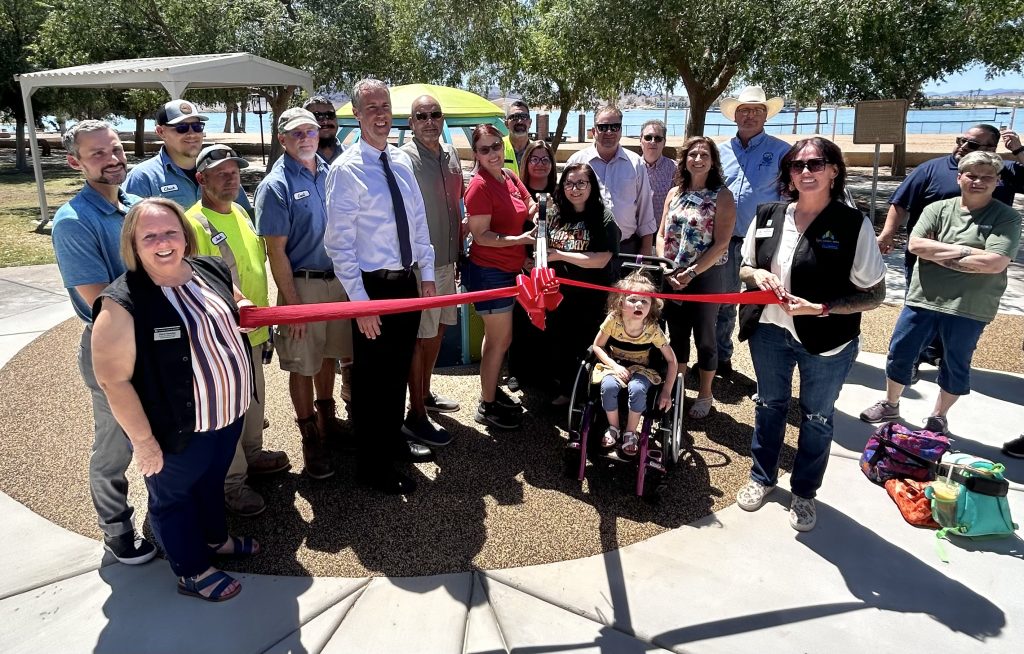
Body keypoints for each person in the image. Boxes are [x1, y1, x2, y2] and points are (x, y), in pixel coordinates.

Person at [91, 197, 259, 602]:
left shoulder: (209, 269)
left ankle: (215, 540)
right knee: (174, 498)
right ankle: (191, 570)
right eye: (150, 236)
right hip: (176, 429)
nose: (163, 242)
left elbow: (234, 300)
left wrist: (243, 306)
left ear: (185, 235)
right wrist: (145, 442)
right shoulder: (122, 302)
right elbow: (113, 381)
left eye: (171, 232)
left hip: (228, 413)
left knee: (211, 482)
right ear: (133, 243)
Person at [736, 137, 886, 532]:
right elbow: (744, 267)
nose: (806, 171)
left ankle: (804, 492)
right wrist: (757, 274)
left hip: (827, 340)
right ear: (788, 173)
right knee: (769, 406)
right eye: (797, 165)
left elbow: (875, 293)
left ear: (834, 170)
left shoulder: (853, 224)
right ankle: (762, 477)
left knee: (817, 417)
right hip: (769, 330)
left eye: (816, 164)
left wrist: (822, 308)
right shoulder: (769, 214)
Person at [325, 79, 437, 495]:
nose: (380, 113)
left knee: (397, 372)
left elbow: (419, 223)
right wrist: (361, 304)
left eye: (385, 104)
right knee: (373, 383)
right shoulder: (346, 169)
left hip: (407, 282)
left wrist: (426, 274)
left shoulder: (400, 161)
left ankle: (391, 443)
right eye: (370, 107)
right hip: (372, 289)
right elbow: (339, 245)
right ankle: (373, 468)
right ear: (356, 114)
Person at [51, 120, 155, 565]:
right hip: (111, 348)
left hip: (153, 339)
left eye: (115, 149)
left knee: (160, 434)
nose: (112, 159)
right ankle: (117, 531)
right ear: (75, 162)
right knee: (116, 444)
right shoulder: (73, 222)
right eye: (97, 154)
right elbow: (99, 303)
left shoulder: (134, 206)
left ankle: (167, 516)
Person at [859, 151, 1020, 436]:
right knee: (900, 352)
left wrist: (943, 253)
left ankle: (938, 416)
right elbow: (916, 246)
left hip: (970, 305)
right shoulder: (937, 209)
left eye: (987, 177)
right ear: (959, 178)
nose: (978, 181)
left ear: (997, 182)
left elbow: (995, 262)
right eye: (971, 175)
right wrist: (970, 254)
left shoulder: (1006, 217)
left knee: (956, 362)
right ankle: (890, 402)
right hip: (923, 298)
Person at [185, 144, 291, 517]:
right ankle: (232, 485)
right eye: (221, 173)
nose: (232, 178)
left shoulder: (243, 214)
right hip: (221, 337)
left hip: (253, 331)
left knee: (253, 402)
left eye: (235, 172)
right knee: (228, 410)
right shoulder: (193, 223)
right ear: (201, 179)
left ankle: (254, 456)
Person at [875, 124, 1024, 379]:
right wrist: (888, 234)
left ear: (992, 150)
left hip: (978, 273)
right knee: (920, 315)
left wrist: (1019, 150)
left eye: (974, 145)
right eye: (962, 140)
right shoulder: (931, 168)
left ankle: (944, 360)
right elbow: (901, 202)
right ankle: (912, 361)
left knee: (961, 319)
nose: (964, 147)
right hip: (926, 262)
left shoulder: (1004, 171)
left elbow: (993, 261)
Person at [254, 107, 352, 480]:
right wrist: (293, 306)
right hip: (303, 285)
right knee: (302, 364)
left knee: (328, 355)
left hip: (336, 281)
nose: (306, 138)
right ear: (282, 140)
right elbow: (275, 252)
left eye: (310, 131)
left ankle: (328, 421)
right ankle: (310, 435)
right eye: (297, 133)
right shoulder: (275, 185)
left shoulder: (328, 172)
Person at [399, 94, 464, 448]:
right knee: (421, 337)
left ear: (442, 119)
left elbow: (456, 204)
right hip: (421, 266)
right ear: (411, 123)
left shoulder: (451, 155)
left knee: (439, 329)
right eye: (421, 115)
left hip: (448, 260)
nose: (428, 120)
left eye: (434, 114)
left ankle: (424, 393)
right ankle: (416, 413)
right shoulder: (403, 159)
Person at [464, 123, 537, 430]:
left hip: (509, 270)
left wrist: (539, 211)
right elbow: (481, 236)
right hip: (489, 272)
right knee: (499, 340)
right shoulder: (479, 187)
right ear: (476, 153)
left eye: (496, 146)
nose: (492, 154)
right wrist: (521, 241)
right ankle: (487, 403)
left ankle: (489, 393)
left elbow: (530, 204)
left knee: (495, 339)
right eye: (485, 149)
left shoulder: (508, 176)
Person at [657, 137, 736, 419]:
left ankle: (705, 394)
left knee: (705, 337)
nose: (698, 159)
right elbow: (661, 233)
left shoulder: (722, 195)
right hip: (673, 275)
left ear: (713, 161)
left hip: (705, 276)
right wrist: (665, 267)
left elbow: (722, 243)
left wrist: (692, 272)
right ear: (684, 159)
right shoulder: (674, 192)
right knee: (676, 335)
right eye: (693, 154)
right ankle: (676, 390)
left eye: (704, 155)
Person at [714, 86, 790, 378]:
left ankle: (768, 368)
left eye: (756, 111)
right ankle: (722, 358)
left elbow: (787, 197)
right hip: (725, 240)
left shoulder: (782, 152)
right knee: (724, 303)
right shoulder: (720, 152)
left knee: (764, 304)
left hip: (763, 242)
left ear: (765, 116)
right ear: (735, 115)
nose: (749, 116)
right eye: (744, 110)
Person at [545, 163, 620, 407]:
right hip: (560, 295)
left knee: (590, 346)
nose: (574, 188)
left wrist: (559, 255)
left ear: (591, 186)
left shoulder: (603, 217)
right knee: (561, 344)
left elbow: (601, 259)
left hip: (592, 297)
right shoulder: (555, 214)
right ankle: (567, 391)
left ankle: (593, 397)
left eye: (581, 183)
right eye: (569, 183)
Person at [591, 273, 678, 456]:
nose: (639, 305)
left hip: (642, 369)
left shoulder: (652, 328)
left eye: (645, 301)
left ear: (651, 306)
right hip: (616, 365)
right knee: (607, 385)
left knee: (638, 389)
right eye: (633, 300)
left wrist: (666, 391)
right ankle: (614, 428)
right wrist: (614, 366)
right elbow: (597, 346)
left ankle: (631, 433)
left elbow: (671, 361)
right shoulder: (614, 320)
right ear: (621, 302)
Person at [125, 99, 252, 215]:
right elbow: (128, 230)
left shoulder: (222, 171)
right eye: (182, 128)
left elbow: (246, 218)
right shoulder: (142, 178)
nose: (192, 134)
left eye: (197, 127)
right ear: (161, 132)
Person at [567, 106, 657, 254]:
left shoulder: (636, 164)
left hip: (626, 249)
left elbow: (645, 211)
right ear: (594, 131)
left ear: (620, 130)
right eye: (603, 127)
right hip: (584, 250)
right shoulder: (576, 161)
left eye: (615, 127)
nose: (609, 132)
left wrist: (645, 252)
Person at [639, 119, 676, 228]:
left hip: (663, 231)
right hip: (635, 232)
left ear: (664, 142)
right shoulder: (630, 167)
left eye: (658, 138)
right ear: (640, 140)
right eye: (648, 137)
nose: (653, 142)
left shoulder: (675, 169)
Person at [303, 95, 346, 164]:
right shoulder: (296, 160)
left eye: (330, 115)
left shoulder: (354, 156)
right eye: (317, 116)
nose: (325, 121)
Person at [502, 100, 532, 175]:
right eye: (514, 117)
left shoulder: (538, 150)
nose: (520, 121)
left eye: (524, 117)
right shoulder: (496, 148)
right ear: (506, 124)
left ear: (530, 122)